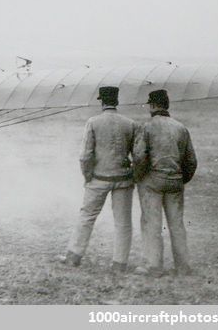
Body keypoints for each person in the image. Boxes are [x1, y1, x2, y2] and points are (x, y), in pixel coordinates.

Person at [60, 86, 137, 272]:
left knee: (86, 216)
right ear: (116, 102)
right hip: (124, 179)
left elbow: (85, 155)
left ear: (102, 102)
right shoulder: (130, 123)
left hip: (99, 179)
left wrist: (87, 177)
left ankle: (74, 256)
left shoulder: (93, 122)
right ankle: (120, 263)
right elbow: (138, 154)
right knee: (123, 222)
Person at [132, 89, 197, 277]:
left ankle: (154, 266)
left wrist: (139, 177)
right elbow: (191, 161)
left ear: (152, 106)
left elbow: (139, 157)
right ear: (167, 105)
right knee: (177, 224)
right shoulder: (181, 128)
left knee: (152, 223)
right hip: (175, 181)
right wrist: (180, 179)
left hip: (153, 182)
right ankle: (183, 266)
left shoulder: (146, 127)